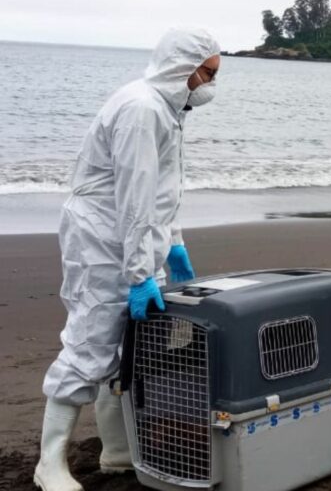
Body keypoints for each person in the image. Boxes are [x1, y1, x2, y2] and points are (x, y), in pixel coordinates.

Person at [34, 28, 220, 491]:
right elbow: (133, 199)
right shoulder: (141, 109)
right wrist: (141, 274)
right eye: (209, 72)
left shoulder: (169, 110)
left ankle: (117, 452)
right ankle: (49, 464)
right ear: (185, 67)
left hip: (134, 241)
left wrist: (174, 242)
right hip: (102, 242)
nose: (212, 83)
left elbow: (161, 191)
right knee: (90, 344)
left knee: (128, 352)